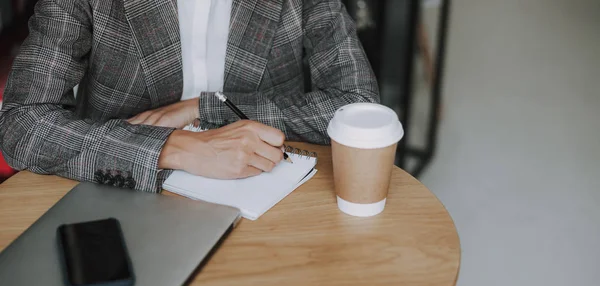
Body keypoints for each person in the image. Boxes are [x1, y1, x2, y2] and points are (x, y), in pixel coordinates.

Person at [0, 0, 379, 193]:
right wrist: (174, 148)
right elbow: (21, 122)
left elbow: (358, 105)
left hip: (265, 198)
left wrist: (203, 108)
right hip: (118, 187)